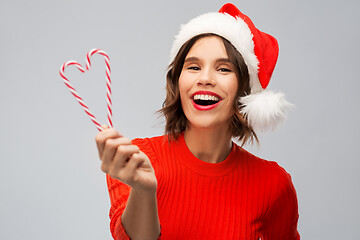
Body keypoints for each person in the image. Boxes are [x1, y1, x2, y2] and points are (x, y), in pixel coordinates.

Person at [95, 3, 300, 240]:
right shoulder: (135, 159)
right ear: (177, 82)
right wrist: (144, 189)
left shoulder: (273, 184)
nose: (204, 79)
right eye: (193, 66)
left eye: (223, 69)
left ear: (245, 91)